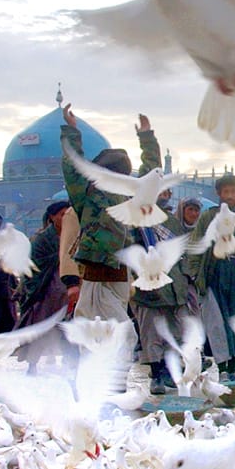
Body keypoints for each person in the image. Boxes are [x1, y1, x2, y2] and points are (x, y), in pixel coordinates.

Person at [60, 105, 160, 322]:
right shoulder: (88, 193)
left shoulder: (130, 193)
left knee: (107, 326)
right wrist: (71, 132)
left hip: (121, 268)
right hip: (98, 267)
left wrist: (147, 137)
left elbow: (152, 174)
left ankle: (107, 355)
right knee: (105, 327)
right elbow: (72, 168)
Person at [186, 173, 235, 379]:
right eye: (225, 192)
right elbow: (195, 246)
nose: (229, 196)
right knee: (216, 321)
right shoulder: (208, 217)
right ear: (219, 194)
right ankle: (223, 366)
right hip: (214, 272)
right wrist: (196, 275)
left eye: (233, 192)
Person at [129, 192, 193, 394]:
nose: (163, 195)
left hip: (175, 286)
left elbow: (184, 252)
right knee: (151, 333)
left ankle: (168, 372)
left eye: (166, 192)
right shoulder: (137, 223)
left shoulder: (172, 222)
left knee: (173, 333)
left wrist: (186, 280)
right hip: (150, 286)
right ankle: (155, 374)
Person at [14, 201, 74, 373]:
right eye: (61, 214)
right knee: (40, 327)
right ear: (52, 217)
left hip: (69, 288)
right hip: (47, 290)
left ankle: (70, 364)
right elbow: (34, 267)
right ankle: (32, 364)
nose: (64, 218)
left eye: (67, 214)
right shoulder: (42, 239)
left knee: (70, 327)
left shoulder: (74, 235)